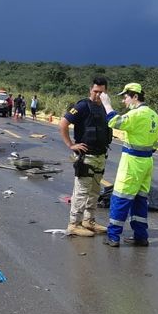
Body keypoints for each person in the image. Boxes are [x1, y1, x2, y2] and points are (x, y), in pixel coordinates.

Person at [99, 82, 158, 247]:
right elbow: (156, 142)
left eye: (125, 97)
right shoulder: (154, 115)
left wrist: (106, 103)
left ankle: (113, 237)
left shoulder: (137, 114)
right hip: (147, 162)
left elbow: (114, 122)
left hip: (132, 163)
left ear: (135, 96)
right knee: (140, 200)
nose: (124, 101)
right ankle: (141, 236)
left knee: (120, 197)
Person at [59, 77, 112, 237]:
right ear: (90, 90)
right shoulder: (82, 106)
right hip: (86, 157)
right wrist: (71, 145)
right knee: (82, 192)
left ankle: (89, 221)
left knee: (95, 191)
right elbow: (63, 124)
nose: (98, 95)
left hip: (100, 155)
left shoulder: (105, 107)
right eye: (95, 91)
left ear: (106, 92)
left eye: (101, 92)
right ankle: (73, 224)